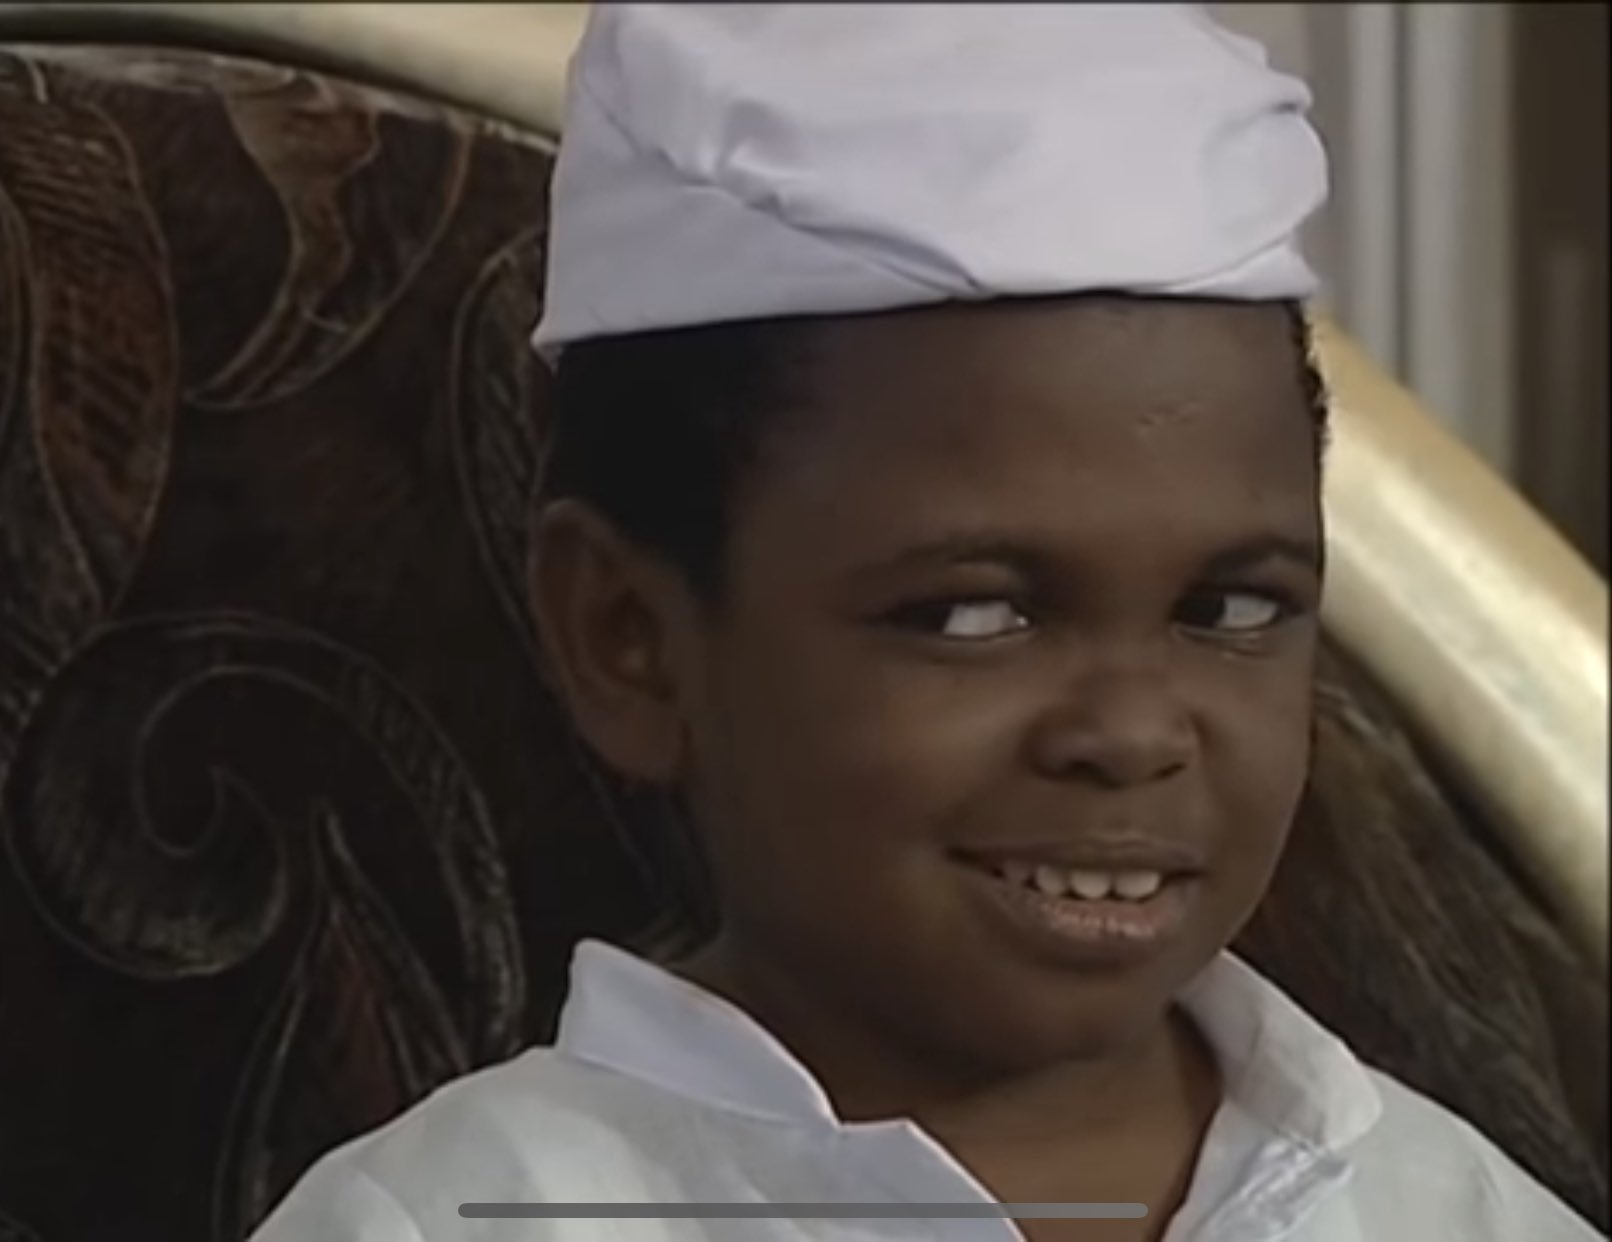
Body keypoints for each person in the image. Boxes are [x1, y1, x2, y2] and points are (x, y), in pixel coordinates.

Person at [249, 4, 1603, 1240]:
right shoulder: (455, 1219)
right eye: (974, 614)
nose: (1131, 732)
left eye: (1229, 607)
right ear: (630, 639)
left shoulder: (1449, 1206)